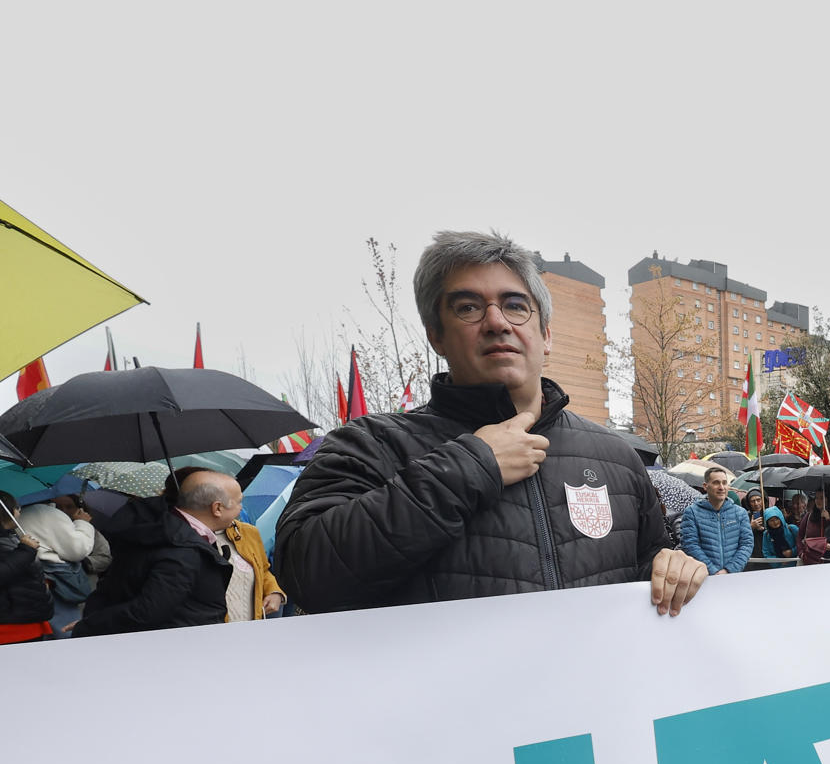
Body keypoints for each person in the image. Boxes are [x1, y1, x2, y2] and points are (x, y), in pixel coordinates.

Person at [277, 230, 705, 616]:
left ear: (546, 334)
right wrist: (468, 468)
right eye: (468, 307)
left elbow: (643, 563)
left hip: (591, 697)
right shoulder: (369, 445)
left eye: (515, 305)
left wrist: (672, 567)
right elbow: (307, 577)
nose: (497, 322)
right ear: (436, 335)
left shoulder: (613, 455)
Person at [73, 470, 241, 637]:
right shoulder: (182, 548)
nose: (241, 508)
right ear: (217, 508)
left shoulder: (162, 527)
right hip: (176, 647)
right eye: (238, 502)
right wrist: (91, 625)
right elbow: (149, 610)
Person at [16, 491, 99, 634]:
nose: (64, 510)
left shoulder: (15, 514)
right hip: (55, 576)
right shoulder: (46, 513)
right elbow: (77, 549)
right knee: (63, 628)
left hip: (24, 574)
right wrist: (83, 524)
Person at [0, 492, 54, 645]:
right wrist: (25, 551)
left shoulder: (11, 537)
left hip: (27, 619)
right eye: (16, 507)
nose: (19, 511)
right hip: (10, 628)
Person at [680, 467, 751, 576]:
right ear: (705, 486)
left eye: (724, 483)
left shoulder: (740, 513)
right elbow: (690, 545)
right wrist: (713, 571)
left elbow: (746, 544)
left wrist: (730, 570)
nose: (721, 487)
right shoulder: (692, 513)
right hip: (703, 577)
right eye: (716, 483)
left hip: (734, 577)